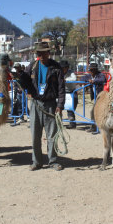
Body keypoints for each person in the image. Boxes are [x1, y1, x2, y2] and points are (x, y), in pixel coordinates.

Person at [17, 41, 66, 171]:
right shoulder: (32, 66)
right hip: (35, 104)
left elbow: (61, 88)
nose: (41, 55)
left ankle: (53, 161)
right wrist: (20, 76)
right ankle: (37, 162)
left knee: (52, 135)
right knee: (35, 135)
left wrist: (60, 105)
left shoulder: (56, 68)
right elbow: (25, 82)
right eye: (39, 53)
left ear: (48, 53)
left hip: (51, 104)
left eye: (43, 53)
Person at [85, 63, 106, 133]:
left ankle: (96, 127)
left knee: (94, 111)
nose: (92, 71)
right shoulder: (89, 75)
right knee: (93, 111)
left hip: (101, 97)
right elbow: (83, 78)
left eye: (93, 70)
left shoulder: (101, 75)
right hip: (95, 97)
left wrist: (94, 81)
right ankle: (94, 127)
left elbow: (103, 79)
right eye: (90, 70)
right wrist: (88, 80)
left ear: (96, 70)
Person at [60, 60, 78, 129]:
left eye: (64, 67)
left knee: (71, 107)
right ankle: (59, 122)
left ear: (67, 67)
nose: (62, 69)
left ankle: (72, 122)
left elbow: (74, 78)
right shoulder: (59, 73)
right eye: (61, 68)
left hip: (71, 92)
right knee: (59, 107)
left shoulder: (71, 73)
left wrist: (66, 80)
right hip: (62, 92)